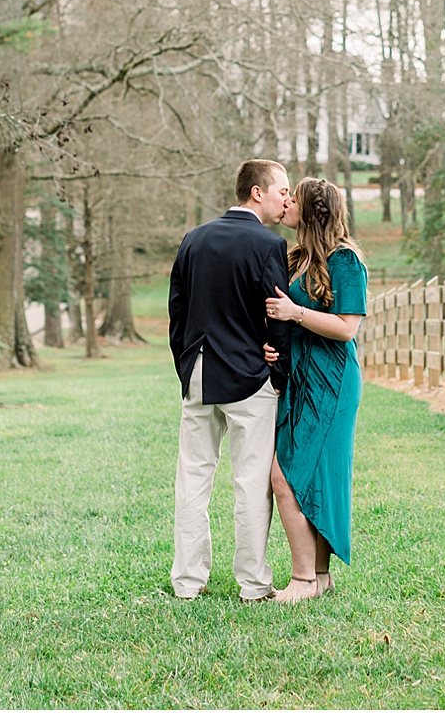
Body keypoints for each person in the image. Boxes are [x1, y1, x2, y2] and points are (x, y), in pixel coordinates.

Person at [167, 159, 293, 601]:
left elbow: (177, 312)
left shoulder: (194, 238)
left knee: (193, 477)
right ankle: (254, 584)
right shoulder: (269, 245)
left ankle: (187, 581)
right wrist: (277, 371)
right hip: (249, 378)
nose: (286, 200)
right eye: (282, 191)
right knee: (251, 482)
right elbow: (277, 315)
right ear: (257, 192)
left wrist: (186, 364)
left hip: (199, 373)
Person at [262, 176, 367, 604]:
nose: (285, 202)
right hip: (299, 378)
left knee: (283, 474)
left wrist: (295, 314)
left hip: (332, 381)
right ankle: (319, 577)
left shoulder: (345, 261)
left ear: (310, 210)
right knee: (308, 476)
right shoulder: (298, 257)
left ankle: (303, 579)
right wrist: (275, 346)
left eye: (293, 198)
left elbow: (346, 328)